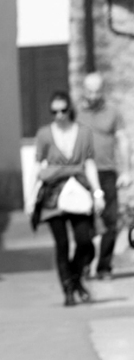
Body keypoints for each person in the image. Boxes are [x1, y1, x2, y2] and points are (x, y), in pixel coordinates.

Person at [26, 90, 105, 307]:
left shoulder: (84, 132)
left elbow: (89, 163)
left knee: (85, 242)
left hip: (79, 191)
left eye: (63, 110)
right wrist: (30, 197)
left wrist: (97, 192)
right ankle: (68, 290)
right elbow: (37, 166)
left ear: (70, 109)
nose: (59, 115)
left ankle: (76, 278)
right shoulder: (44, 134)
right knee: (62, 244)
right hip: (53, 194)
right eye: (54, 112)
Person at [77, 71, 132, 278]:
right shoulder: (75, 112)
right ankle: (84, 262)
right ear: (84, 90)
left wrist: (126, 171)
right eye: (89, 91)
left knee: (110, 221)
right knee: (84, 223)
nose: (93, 95)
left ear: (103, 91)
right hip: (81, 175)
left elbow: (122, 140)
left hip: (107, 172)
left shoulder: (112, 112)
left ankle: (104, 267)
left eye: (97, 91)